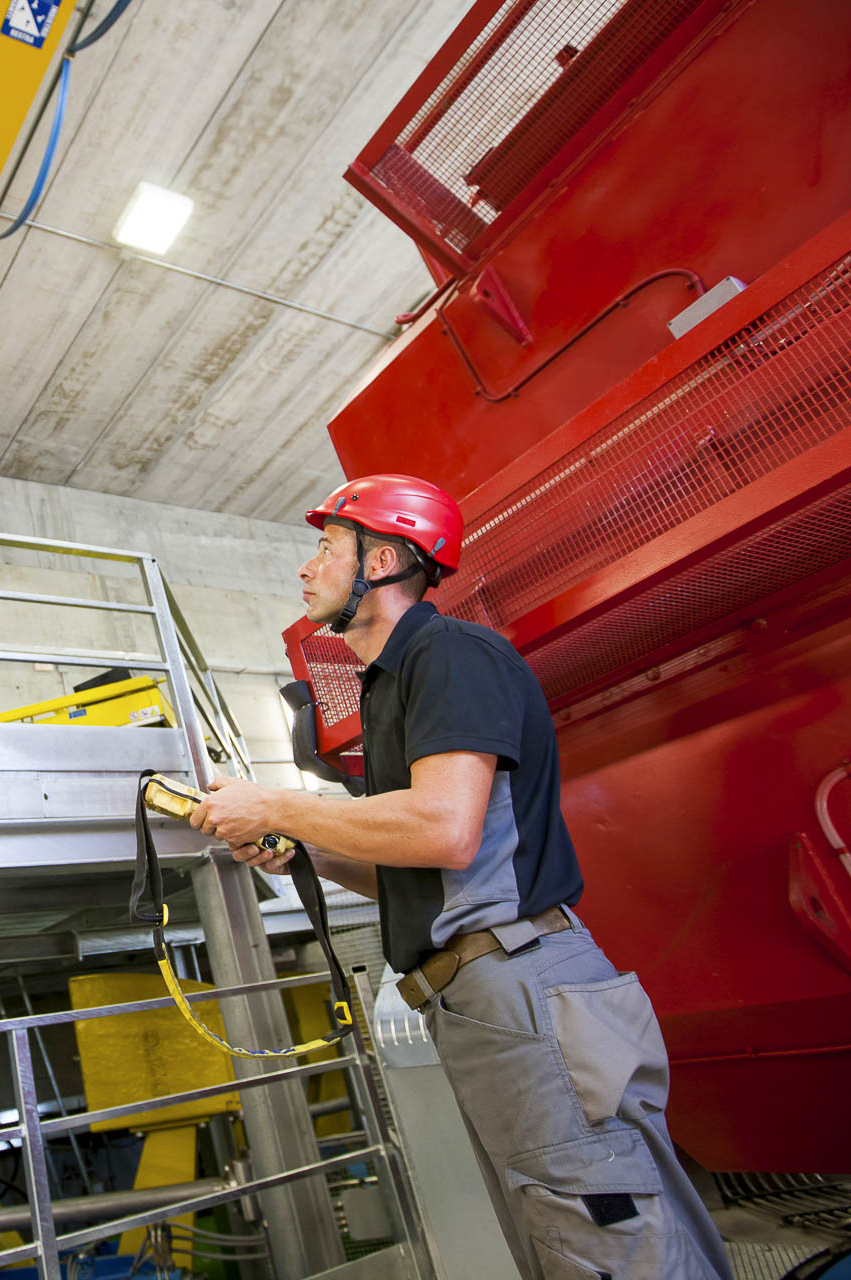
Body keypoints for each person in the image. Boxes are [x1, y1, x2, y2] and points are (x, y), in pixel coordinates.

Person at [191, 474, 731, 1280]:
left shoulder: (448, 653)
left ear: (380, 561)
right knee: (562, 1238)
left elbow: (443, 829)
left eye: (325, 547)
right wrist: (307, 850)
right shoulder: (391, 685)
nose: (307, 567)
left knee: (601, 1239)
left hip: (519, 985)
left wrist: (277, 803)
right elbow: (421, 872)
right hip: (486, 999)